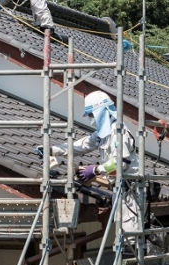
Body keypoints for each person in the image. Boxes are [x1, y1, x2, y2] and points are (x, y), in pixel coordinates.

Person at [36, 90, 141, 243]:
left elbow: (122, 162)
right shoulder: (102, 134)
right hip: (120, 189)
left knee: (130, 236)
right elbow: (81, 145)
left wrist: (96, 170)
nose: (92, 119)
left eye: (92, 115)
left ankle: (132, 263)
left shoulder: (119, 133)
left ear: (101, 111)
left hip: (131, 191)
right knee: (121, 233)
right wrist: (52, 150)